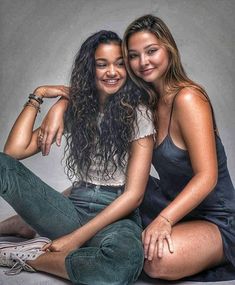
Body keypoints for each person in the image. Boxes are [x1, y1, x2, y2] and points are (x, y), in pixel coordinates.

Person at [0, 30, 155, 284]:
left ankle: (28, 257)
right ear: (89, 68)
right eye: (102, 64)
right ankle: (38, 237)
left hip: (117, 214)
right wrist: (39, 94)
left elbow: (134, 195)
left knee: (123, 265)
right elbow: (13, 152)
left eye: (119, 64)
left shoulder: (139, 113)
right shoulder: (79, 108)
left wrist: (75, 239)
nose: (112, 72)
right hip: (73, 209)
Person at [121, 14, 235, 281]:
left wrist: (165, 219)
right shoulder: (147, 102)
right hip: (169, 201)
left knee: (157, 260)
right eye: (134, 56)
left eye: (151, 51)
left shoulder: (188, 98)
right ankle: (14, 231)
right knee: (95, 188)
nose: (143, 62)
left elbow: (207, 177)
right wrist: (55, 98)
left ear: (168, 49)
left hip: (215, 218)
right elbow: (99, 91)